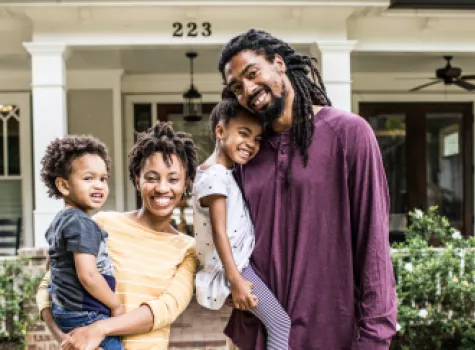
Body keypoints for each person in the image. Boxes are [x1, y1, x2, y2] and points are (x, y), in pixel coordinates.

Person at [218, 29, 397, 349]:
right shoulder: (246, 155)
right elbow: (229, 231)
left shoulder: (348, 133)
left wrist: (374, 337)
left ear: (279, 63)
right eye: (236, 87)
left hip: (332, 333)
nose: (247, 89)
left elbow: (373, 244)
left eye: (252, 73)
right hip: (261, 334)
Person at [36, 121, 198, 350]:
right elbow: (50, 282)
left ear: (186, 184)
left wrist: (99, 329)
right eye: (151, 178)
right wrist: (65, 339)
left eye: (173, 179)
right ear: (136, 179)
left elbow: (164, 310)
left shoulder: (188, 248)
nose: (162, 188)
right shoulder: (103, 224)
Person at [193, 97, 291, 349]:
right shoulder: (215, 176)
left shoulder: (220, 172)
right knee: (280, 325)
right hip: (237, 268)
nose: (251, 144)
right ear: (220, 130)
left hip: (237, 266)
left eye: (257, 139)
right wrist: (235, 279)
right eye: (244, 133)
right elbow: (219, 232)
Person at [40, 135, 124, 350]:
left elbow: (51, 265)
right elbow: (87, 275)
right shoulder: (81, 223)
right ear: (64, 185)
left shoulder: (60, 220)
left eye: (103, 179)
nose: (98, 185)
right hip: (87, 314)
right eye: (88, 178)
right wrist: (115, 305)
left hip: (65, 310)